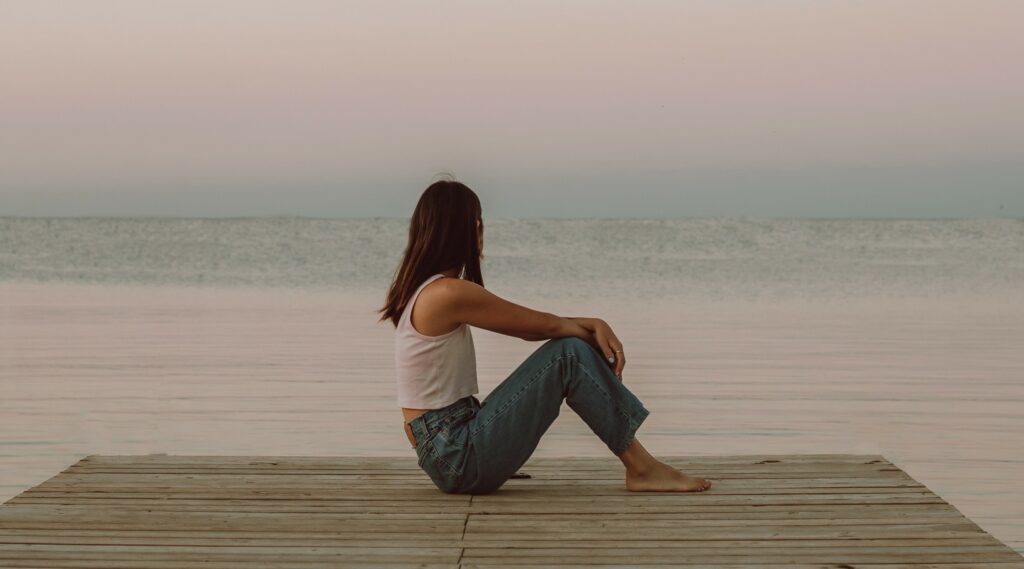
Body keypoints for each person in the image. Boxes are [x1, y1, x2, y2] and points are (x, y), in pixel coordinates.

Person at [377, 178, 712, 495]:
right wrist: (592, 326)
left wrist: (588, 325)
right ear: (466, 229)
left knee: (568, 349)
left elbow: (538, 325)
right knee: (568, 355)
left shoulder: (426, 291)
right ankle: (641, 468)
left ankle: (640, 466)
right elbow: (537, 328)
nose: (481, 230)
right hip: (457, 457)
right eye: (478, 222)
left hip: (453, 445)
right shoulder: (447, 293)